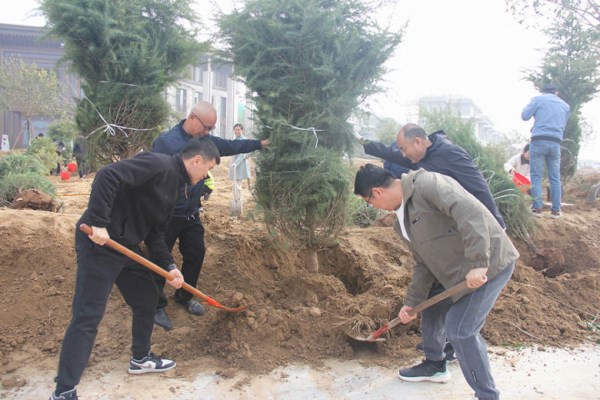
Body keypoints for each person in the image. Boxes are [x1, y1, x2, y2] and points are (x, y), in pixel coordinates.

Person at [48, 137, 220, 400]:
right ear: (197, 161)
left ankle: (140, 358)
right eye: (208, 168)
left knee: (147, 295)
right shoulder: (158, 164)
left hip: (124, 245)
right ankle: (64, 390)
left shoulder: (175, 188)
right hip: (98, 241)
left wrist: (170, 266)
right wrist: (99, 222)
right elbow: (107, 175)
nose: (206, 176)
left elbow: (155, 235)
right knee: (88, 315)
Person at [354, 164, 519, 400]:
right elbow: (423, 263)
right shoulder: (401, 223)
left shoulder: (427, 184)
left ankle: (487, 395)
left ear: (377, 192)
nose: (374, 207)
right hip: (456, 271)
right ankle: (435, 364)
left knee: (461, 330)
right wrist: (413, 302)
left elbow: (471, 212)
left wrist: (478, 262)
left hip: (489, 265)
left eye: (369, 202)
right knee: (430, 305)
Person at [152, 101, 269, 330]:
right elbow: (152, 175)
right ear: (192, 118)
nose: (208, 133)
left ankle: (184, 296)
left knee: (196, 252)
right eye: (206, 127)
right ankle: (156, 305)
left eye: (211, 129)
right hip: (167, 213)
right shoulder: (166, 142)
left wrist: (260, 144)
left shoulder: (205, 141)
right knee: (160, 258)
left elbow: (231, 146)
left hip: (191, 212)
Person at [363, 124, 506, 229]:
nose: (403, 155)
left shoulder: (450, 154)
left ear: (418, 141)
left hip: (472, 219)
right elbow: (389, 153)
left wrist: (498, 225)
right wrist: (361, 141)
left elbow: (479, 188)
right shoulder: (421, 156)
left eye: (404, 149)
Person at [521, 83, 570, 219]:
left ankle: (537, 208)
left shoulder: (538, 99)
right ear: (556, 92)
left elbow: (524, 116)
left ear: (544, 92)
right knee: (555, 177)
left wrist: (533, 103)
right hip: (555, 142)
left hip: (539, 140)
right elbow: (563, 124)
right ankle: (556, 211)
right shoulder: (565, 106)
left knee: (536, 176)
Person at [228, 123, 253, 216]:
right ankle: (237, 200)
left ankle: (238, 202)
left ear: (242, 130)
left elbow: (243, 154)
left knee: (237, 184)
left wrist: (236, 163)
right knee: (235, 185)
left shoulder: (245, 140)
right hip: (234, 164)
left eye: (238, 130)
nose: (237, 131)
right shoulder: (234, 140)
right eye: (235, 130)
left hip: (240, 165)